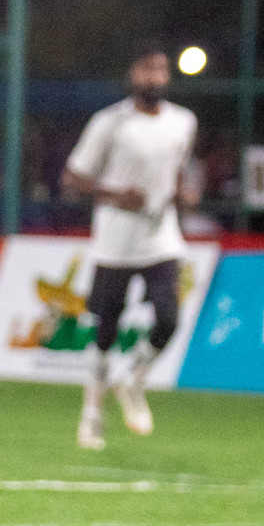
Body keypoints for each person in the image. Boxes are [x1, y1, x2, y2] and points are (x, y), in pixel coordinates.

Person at [60, 42, 199, 452]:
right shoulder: (110, 122)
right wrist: (116, 194)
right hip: (116, 242)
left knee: (170, 319)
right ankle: (92, 415)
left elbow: (174, 169)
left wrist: (180, 193)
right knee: (105, 331)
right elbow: (74, 176)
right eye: (146, 69)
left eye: (161, 69)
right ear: (132, 74)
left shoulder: (183, 121)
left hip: (161, 237)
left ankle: (133, 381)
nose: (154, 77)